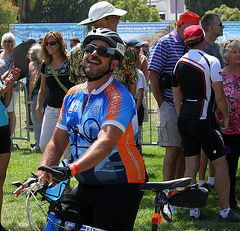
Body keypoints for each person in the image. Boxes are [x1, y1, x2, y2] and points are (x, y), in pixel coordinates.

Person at [14, 28, 147, 231]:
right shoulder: (73, 95)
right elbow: (57, 142)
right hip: (86, 182)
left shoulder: (118, 97)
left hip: (120, 184)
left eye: (103, 51)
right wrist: (41, 173)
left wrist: (69, 170)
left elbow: (105, 141)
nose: (94, 53)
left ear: (114, 63)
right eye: (90, 48)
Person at [172, 24, 240, 222]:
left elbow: (177, 99)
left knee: (190, 167)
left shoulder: (178, 63)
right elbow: (219, 95)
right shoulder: (211, 61)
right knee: (221, 165)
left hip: (185, 119)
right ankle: (225, 212)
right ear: (202, 39)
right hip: (205, 120)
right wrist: (225, 118)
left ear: (186, 42)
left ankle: (194, 211)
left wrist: (184, 119)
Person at [148, 12, 200, 191]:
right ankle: (166, 192)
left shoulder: (192, 44)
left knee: (185, 150)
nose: (192, 31)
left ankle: (178, 191)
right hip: (170, 103)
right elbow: (153, 75)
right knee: (172, 149)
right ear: (180, 25)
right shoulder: (164, 43)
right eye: (189, 27)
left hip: (189, 106)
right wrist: (162, 104)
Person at [69, 1, 139, 97]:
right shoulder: (126, 52)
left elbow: (75, 83)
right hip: (116, 108)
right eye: (117, 17)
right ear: (108, 19)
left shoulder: (75, 52)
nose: (118, 21)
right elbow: (132, 84)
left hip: (85, 107)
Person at [36, 31, 74, 158]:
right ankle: (53, 170)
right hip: (52, 109)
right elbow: (43, 89)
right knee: (44, 144)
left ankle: (62, 176)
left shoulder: (70, 62)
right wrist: (38, 107)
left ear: (60, 44)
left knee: (68, 150)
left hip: (70, 109)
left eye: (52, 43)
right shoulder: (45, 65)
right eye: (46, 44)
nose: (49, 46)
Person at [198, 13, 225, 189]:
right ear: (211, 28)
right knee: (203, 146)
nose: (223, 27)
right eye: (220, 24)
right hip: (206, 103)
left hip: (217, 101)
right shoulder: (204, 49)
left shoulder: (216, 48)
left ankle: (213, 180)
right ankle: (201, 181)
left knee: (216, 141)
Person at [215, 40, 240, 209]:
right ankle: (229, 202)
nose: (238, 55)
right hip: (228, 130)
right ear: (226, 55)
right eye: (234, 52)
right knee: (230, 167)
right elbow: (217, 100)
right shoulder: (220, 76)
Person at [0, 66, 21, 231]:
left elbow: (5, 104)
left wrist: (9, 85)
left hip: (2, 127)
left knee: (0, 178)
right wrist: (4, 87)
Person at [0, 32, 19, 139]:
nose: (7, 43)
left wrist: (3, 78)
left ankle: (9, 137)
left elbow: (11, 69)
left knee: (10, 112)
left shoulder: (14, 55)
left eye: (10, 41)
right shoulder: (0, 54)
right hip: (1, 86)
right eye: (5, 41)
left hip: (11, 86)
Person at [27, 44, 42, 151]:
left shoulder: (32, 64)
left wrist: (29, 94)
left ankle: (38, 144)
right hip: (45, 94)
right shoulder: (44, 63)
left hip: (36, 93)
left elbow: (32, 81)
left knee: (36, 120)